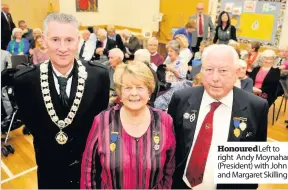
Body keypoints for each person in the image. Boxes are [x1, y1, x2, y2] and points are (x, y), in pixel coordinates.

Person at [14, 13, 110, 189]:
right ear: (43, 40)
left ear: (78, 40)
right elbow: (32, 123)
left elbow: (100, 121)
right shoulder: (25, 81)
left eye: (69, 40)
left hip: (88, 170)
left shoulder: (99, 76)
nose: (63, 48)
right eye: (55, 39)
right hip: (49, 171)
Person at [168, 44, 268, 189]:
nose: (215, 78)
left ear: (236, 72)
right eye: (209, 70)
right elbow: (171, 147)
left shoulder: (256, 107)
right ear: (202, 70)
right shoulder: (181, 99)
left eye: (223, 71)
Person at [80, 62, 176, 189]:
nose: (134, 93)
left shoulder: (165, 121)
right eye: (128, 88)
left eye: (140, 87)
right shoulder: (103, 121)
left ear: (149, 91)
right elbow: (88, 169)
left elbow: (170, 169)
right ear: (119, 92)